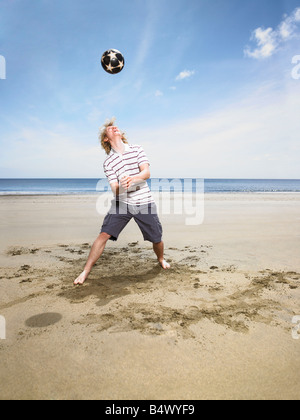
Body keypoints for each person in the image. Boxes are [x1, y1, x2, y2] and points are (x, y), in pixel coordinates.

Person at [74, 118, 170, 285]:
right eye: (110, 129)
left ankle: (160, 259)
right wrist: (123, 187)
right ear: (106, 138)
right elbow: (115, 189)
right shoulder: (108, 162)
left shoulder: (137, 149)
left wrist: (131, 179)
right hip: (122, 202)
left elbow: (146, 173)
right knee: (103, 234)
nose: (115, 128)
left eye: (116, 127)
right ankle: (85, 271)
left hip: (143, 200)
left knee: (156, 238)